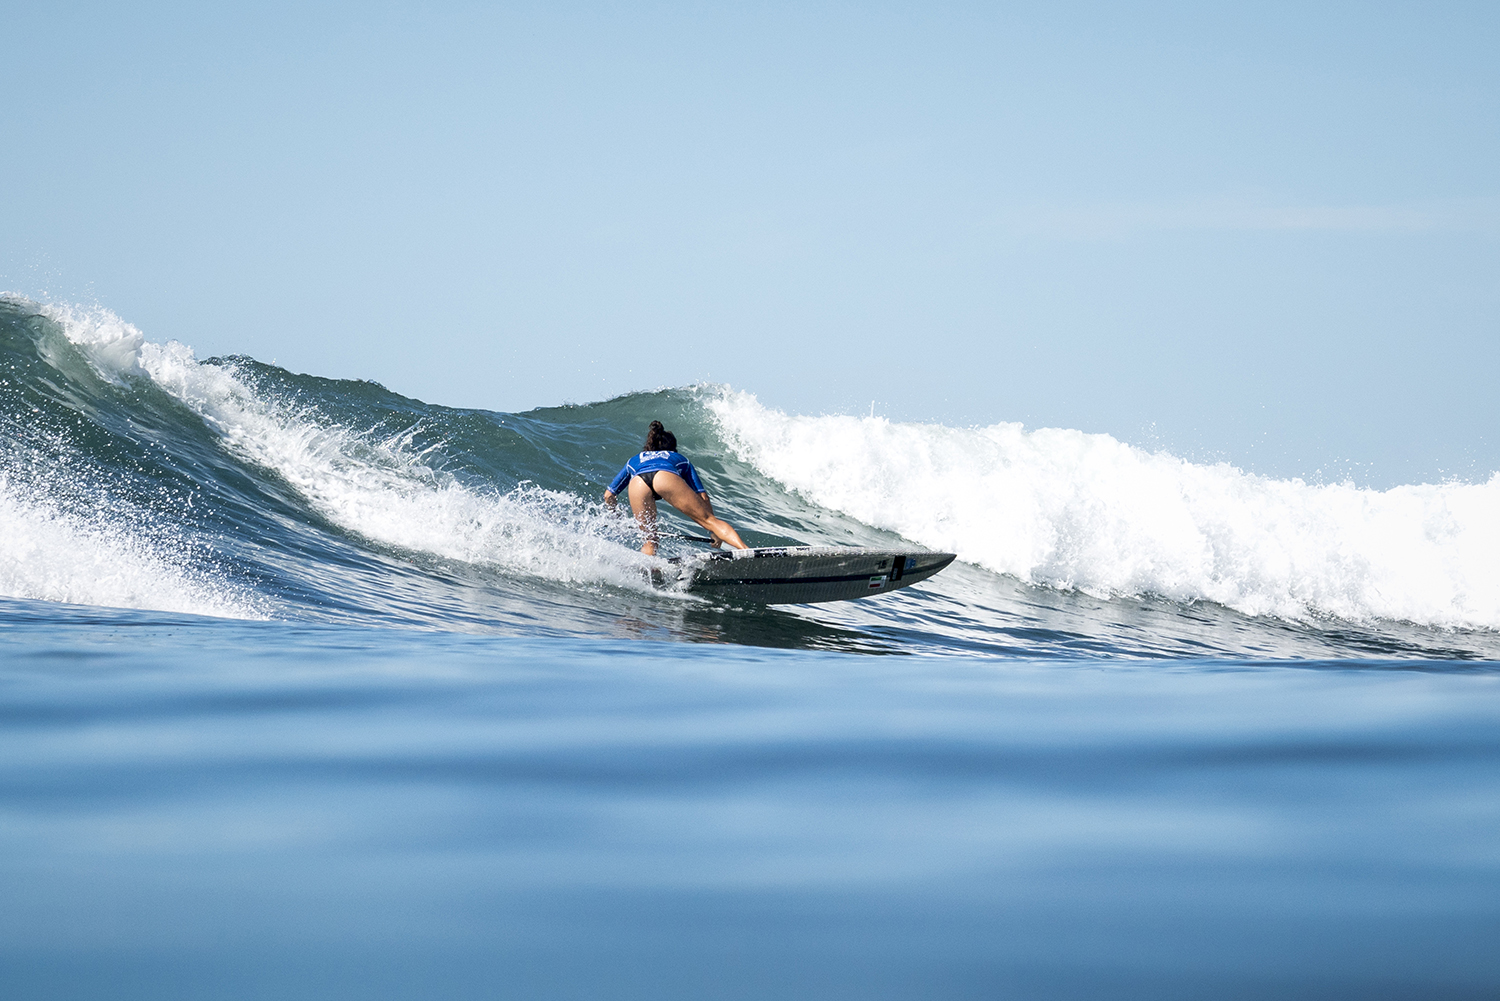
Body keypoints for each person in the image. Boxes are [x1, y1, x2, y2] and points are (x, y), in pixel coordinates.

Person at [604, 420, 748, 556]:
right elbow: (703, 496)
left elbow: (608, 495)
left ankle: (649, 572)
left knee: (650, 539)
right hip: (664, 477)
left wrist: (617, 519)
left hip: (638, 482)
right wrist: (713, 528)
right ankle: (746, 552)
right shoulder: (679, 458)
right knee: (710, 520)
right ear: (672, 446)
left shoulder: (634, 460)